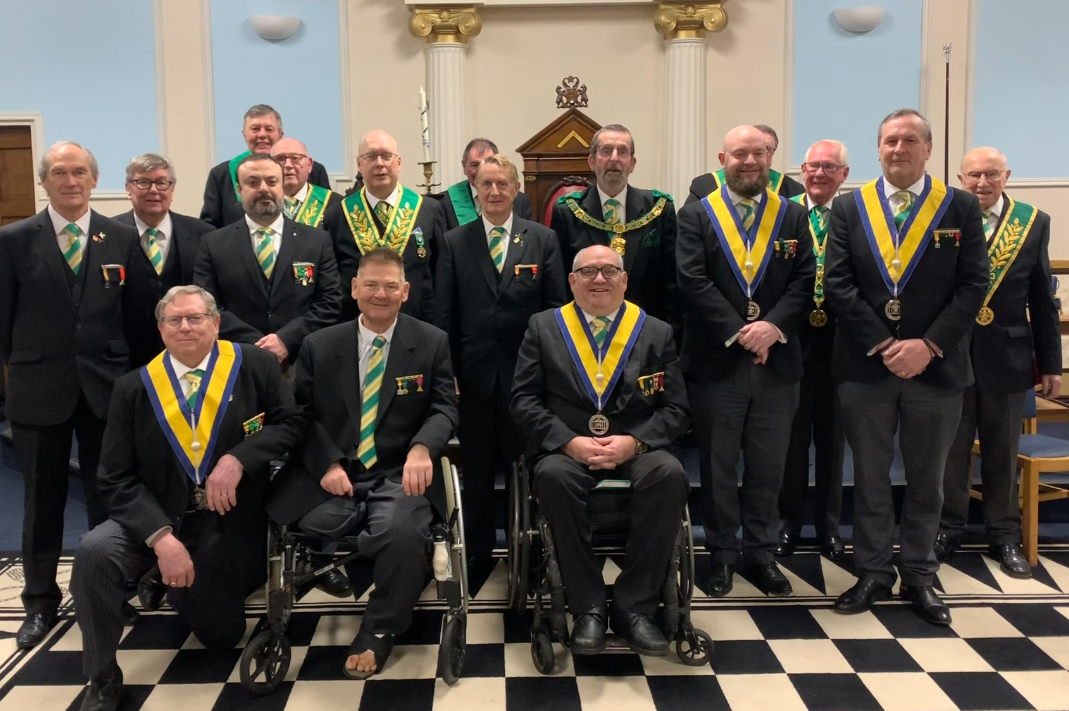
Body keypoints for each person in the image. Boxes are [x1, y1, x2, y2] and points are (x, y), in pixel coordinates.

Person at [70, 285, 304, 711]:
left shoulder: (255, 365)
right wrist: (161, 538)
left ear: (215, 323)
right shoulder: (134, 388)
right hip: (156, 518)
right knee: (93, 551)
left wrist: (239, 458)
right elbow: (115, 477)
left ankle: (169, 582)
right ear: (161, 329)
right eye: (174, 320)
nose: (185, 327)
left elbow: (289, 424)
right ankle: (101, 675)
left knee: (222, 637)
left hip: (226, 522)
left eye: (195, 318)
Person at [824, 108, 988, 625]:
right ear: (878, 149)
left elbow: (973, 285)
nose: (899, 148)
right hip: (866, 367)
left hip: (935, 369)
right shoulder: (850, 207)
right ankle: (873, 571)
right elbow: (837, 283)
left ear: (928, 149)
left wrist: (928, 345)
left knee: (927, 480)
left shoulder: (960, 205)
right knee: (869, 478)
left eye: (910, 140)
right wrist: (883, 342)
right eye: (890, 140)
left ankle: (919, 574)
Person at [267, 247, 458, 678]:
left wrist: (422, 448)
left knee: (401, 530)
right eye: (371, 284)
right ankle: (393, 571)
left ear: (405, 291)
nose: (380, 294)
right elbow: (300, 417)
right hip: (336, 474)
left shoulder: (431, 341)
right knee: (313, 521)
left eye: (390, 286)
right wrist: (328, 463)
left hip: (399, 472)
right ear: (354, 288)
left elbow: (444, 408)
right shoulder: (319, 345)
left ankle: (379, 629)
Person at [0, 141, 155, 650]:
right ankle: (39, 603)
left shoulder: (122, 238)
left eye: (80, 172)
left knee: (107, 498)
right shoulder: (13, 240)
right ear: (44, 181)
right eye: (60, 173)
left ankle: (106, 591)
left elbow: (138, 319)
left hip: (106, 390)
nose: (71, 181)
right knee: (41, 502)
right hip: (38, 390)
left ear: (94, 179)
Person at [510, 244, 690, 656]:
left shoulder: (655, 331)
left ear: (624, 280)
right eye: (588, 271)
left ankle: (635, 608)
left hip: (636, 445)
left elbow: (677, 408)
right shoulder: (543, 327)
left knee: (669, 474)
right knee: (552, 477)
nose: (599, 279)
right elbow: (523, 400)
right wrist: (567, 441)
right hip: (567, 447)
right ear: (572, 281)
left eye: (609, 271)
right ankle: (588, 607)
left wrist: (635, 442)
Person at [677, 125, 814, 597]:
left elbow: (805, 280)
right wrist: (741, 333)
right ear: (723, 160)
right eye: (740, 154)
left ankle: (761, 553)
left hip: (778, 363)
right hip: (717, 363)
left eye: (758, 153)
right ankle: (721, 554)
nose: (750, 161)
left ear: (770, 158)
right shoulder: (697, 214)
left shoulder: (792, 215)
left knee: (768, 465)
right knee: (718, 467)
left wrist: (771, 328)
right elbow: (692, 280)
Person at [434, 153, 567, 576]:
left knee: (522, 469)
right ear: (476, 190)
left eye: (502, 184)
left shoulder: (542, 239)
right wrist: (447, 369)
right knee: (475, 471)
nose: (494, 191)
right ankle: (476, 552)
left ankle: (523, 549)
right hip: (472, 378)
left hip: (526, 379)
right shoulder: (455, 241)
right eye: (486, 184)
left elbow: (555, 310)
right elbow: (444, 312)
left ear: (515, 190)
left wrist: (549, 371)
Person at [935, 146, 1062, 577]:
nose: (982, 182)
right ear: (960, 178)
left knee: (1002, 453)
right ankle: (948, 528)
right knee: (950, 451)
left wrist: (1051, 363)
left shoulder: (1033, 222)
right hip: (952, 355)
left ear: (1007, 176)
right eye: (973, 175)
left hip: (1008, 357)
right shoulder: (944, 218)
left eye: (991, 174)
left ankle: (1004, 534)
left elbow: (1042, 299)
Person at [194, 154, 343, 371]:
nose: (264, 189)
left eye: (272, 182)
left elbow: (329, 302)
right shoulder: (213, 244)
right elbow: (208, 306)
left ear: (282, 187)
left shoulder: (317, 241)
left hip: (302, 362)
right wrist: (257, 345)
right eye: (253, 182)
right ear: (239, 189)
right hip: (237, 362)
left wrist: (285, 340)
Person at [775, 140, 851, 560]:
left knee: (832, 442)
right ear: (801, 171)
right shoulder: (783, 213)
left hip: (841, 342)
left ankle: (829, 527)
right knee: (791, 440)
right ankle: (787, 524)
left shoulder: (856, 214)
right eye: (813, 166)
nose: (819, 174)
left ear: (844, 174)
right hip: (792, 339)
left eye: (829, 167)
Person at [550, 124, 680, 335]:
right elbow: (560, 281)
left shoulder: (659, 209)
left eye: (623, 151)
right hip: (583, 332)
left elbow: (671, 283)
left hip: (646, 331)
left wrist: (670, 336)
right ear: (592, 161)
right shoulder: (568, 212)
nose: (614, 158)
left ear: (632, 163)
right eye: (606, 151)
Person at [325, 130, 441, 323]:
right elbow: (330, 282)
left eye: (387, 156)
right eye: (370, 156)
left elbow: (441, 274)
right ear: (359, 164)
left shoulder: (430, 210)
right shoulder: (337, 215)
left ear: (399, 162)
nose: (379, 163)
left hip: (418, 325)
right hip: (354, 326)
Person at [114, 153, 213, 366]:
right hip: (127, 358)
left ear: (172, 189)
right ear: (128, 189)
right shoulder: (109, 236)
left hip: (191, 354)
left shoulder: (203, 234)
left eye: (161, 183)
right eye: (143, 182)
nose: (154, 190)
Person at [199, 104, 331, 228]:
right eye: (255, 129)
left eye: (269, 129)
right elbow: (211, 227)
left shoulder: (313, 170)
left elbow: (329, 216)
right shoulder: (222, 174)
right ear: (244, 135)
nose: (262, 135)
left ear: (280, 135)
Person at [685, 124, 804, 205]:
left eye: (764, 150)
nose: (751, 160)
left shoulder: (792, 189)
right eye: (742, 152)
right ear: (723, 159)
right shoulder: (704, 186)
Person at [436, 137, 533, 232]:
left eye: (487, 164)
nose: (481, 171)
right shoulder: (445, 203)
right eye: (475, 165)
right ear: (464, 166)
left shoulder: (520, 201)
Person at [270, 137, 339, 229]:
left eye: (295, 158)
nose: (288, 165)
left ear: (309, 165)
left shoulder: (336, 204)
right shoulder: (259, 203)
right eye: (280, 159)